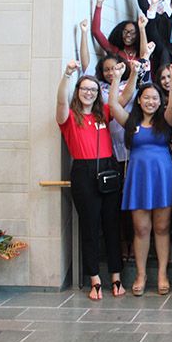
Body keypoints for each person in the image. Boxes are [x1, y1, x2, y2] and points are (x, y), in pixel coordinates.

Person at [56, 62, 128, 301]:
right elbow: (60, 104)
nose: (89, 93)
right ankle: (94, 279)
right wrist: (67, 75)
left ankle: (116, 276)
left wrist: (117, 77)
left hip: (108, 168)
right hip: (83, 171)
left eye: (93, 90)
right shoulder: (69, 118)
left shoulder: (103, 113)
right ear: (77, 92)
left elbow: (122, 100)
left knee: (112, 225)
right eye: (84, 89)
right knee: (89, 227)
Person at [108, 62, 172, 297]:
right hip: (138, 178)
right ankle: (141, 274)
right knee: (141, 229)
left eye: (155, 98)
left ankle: (162, 273)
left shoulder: (167, 119)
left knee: (162, 227)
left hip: (162, 178)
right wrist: (117, 78)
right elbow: (112, 105)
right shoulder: (130, 122)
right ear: (139, 100)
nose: (151, 101)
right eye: (146, 97)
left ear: (161, 101)